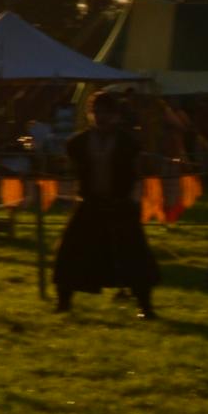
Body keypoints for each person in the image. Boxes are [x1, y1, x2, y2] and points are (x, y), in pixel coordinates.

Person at [53, 89, 160, 317]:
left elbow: (138, 172)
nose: (101, 117)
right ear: (91, 114)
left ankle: (145, 306)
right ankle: (64, 303)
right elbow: (71, 169)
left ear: (116, 115)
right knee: (70, 254)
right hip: (90, 204)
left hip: (120, 205)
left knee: (134, 256)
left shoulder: (128, 143)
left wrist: (132, 200)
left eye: (106, 113)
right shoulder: (78, 143)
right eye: (97, 112)